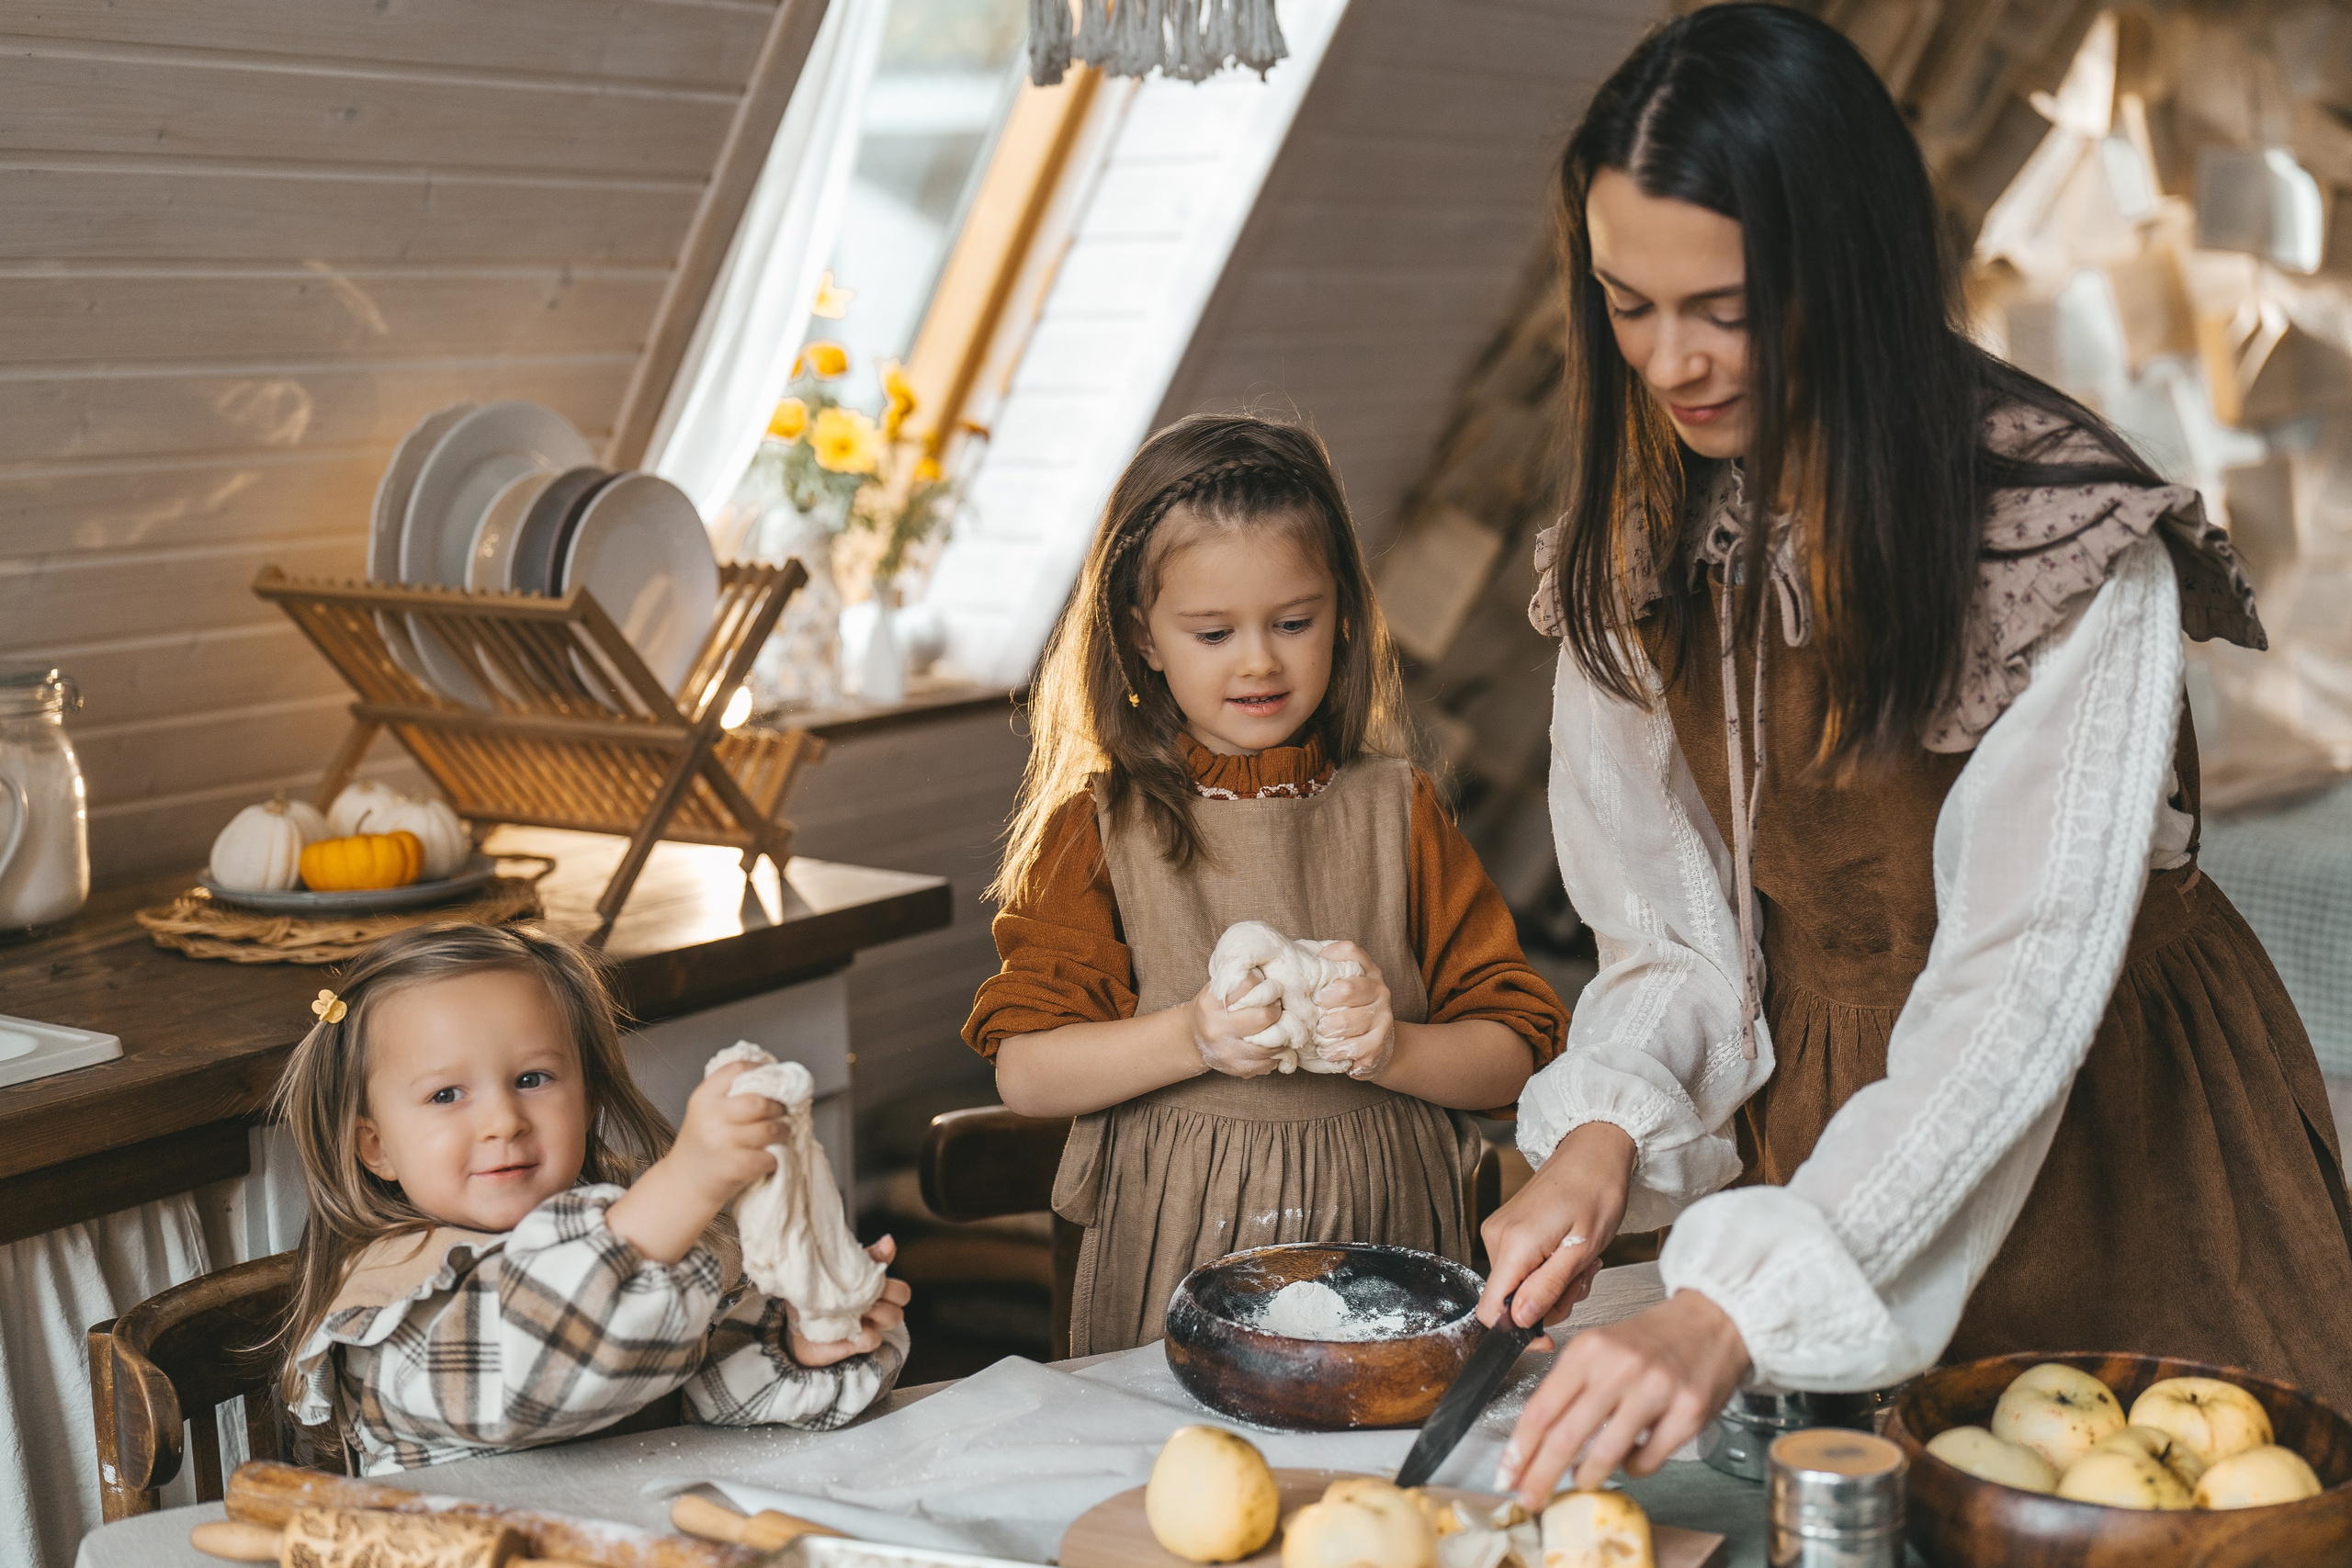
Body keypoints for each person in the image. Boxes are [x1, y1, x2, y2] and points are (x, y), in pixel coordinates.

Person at [1478, 3, 2352, 1506]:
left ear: (1854, 272)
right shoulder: (1636, 524)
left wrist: (1734, 1302)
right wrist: (1605, 1129)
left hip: (2109, 1140)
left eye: (1729, 307)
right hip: (1826, 1131)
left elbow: (2013, 988)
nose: (1673, 362)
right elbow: (1674, 940)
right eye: (1629, 304)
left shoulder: (2063, 541)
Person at [964, 412, 1566, 1356]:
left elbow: (1512, 1055)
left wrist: (1393, 1048)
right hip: (1173, 1249)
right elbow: (1027, 1073)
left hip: (1386, 1244)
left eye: (1294, 622)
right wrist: (1193, 1035)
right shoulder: (1102, 832)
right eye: (1212, 631)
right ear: (1144, 638)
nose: (1260, 660)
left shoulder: (1396, 812)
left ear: (1343, 614)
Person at [270, 923, 910, 1474]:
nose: (503, 1120)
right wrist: (683, 1183)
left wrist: (799, 1349)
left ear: (589, 1100)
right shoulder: (397, 1300)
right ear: (375, 1144)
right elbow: (538, 1364)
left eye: (532, 1078)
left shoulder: (636, 1232)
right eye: (446, 1095)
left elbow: (713, 1399)